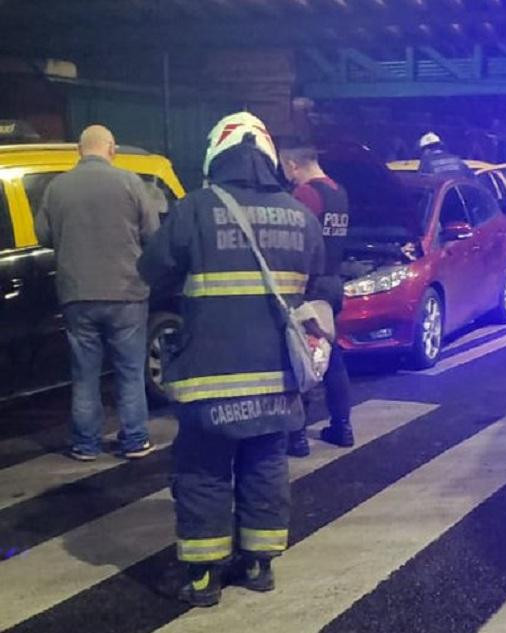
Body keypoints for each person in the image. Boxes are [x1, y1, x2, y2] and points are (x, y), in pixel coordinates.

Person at [137, 112, 325, 607]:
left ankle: (201, 577)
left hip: (210, 375)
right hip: (277, 377)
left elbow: (151, 268)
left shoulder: (196, 209)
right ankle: (259, 565)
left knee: (204, 470)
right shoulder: (301, 216)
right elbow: (323, 285)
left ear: (215, 156)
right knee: (266, 463)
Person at [35, 125, 159, 462]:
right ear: (112, 149)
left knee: (84, 375)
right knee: (130, 371)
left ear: (80, 150)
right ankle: (134, 440)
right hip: (127, 292)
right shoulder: (131, 182)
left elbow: (43, 235)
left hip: (77, 293)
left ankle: (85, 445)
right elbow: (153, 233)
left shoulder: (56, 187)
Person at [278, 138, 354, 457]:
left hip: (308, 285)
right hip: (333, 283)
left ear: (294, 164)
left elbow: (297, 240)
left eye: (285, 168)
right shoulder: (339, 192)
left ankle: (296, 437)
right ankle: (342, 426)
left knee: (299, 357)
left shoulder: (306, 194)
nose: (286, 175)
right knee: (330, 355)